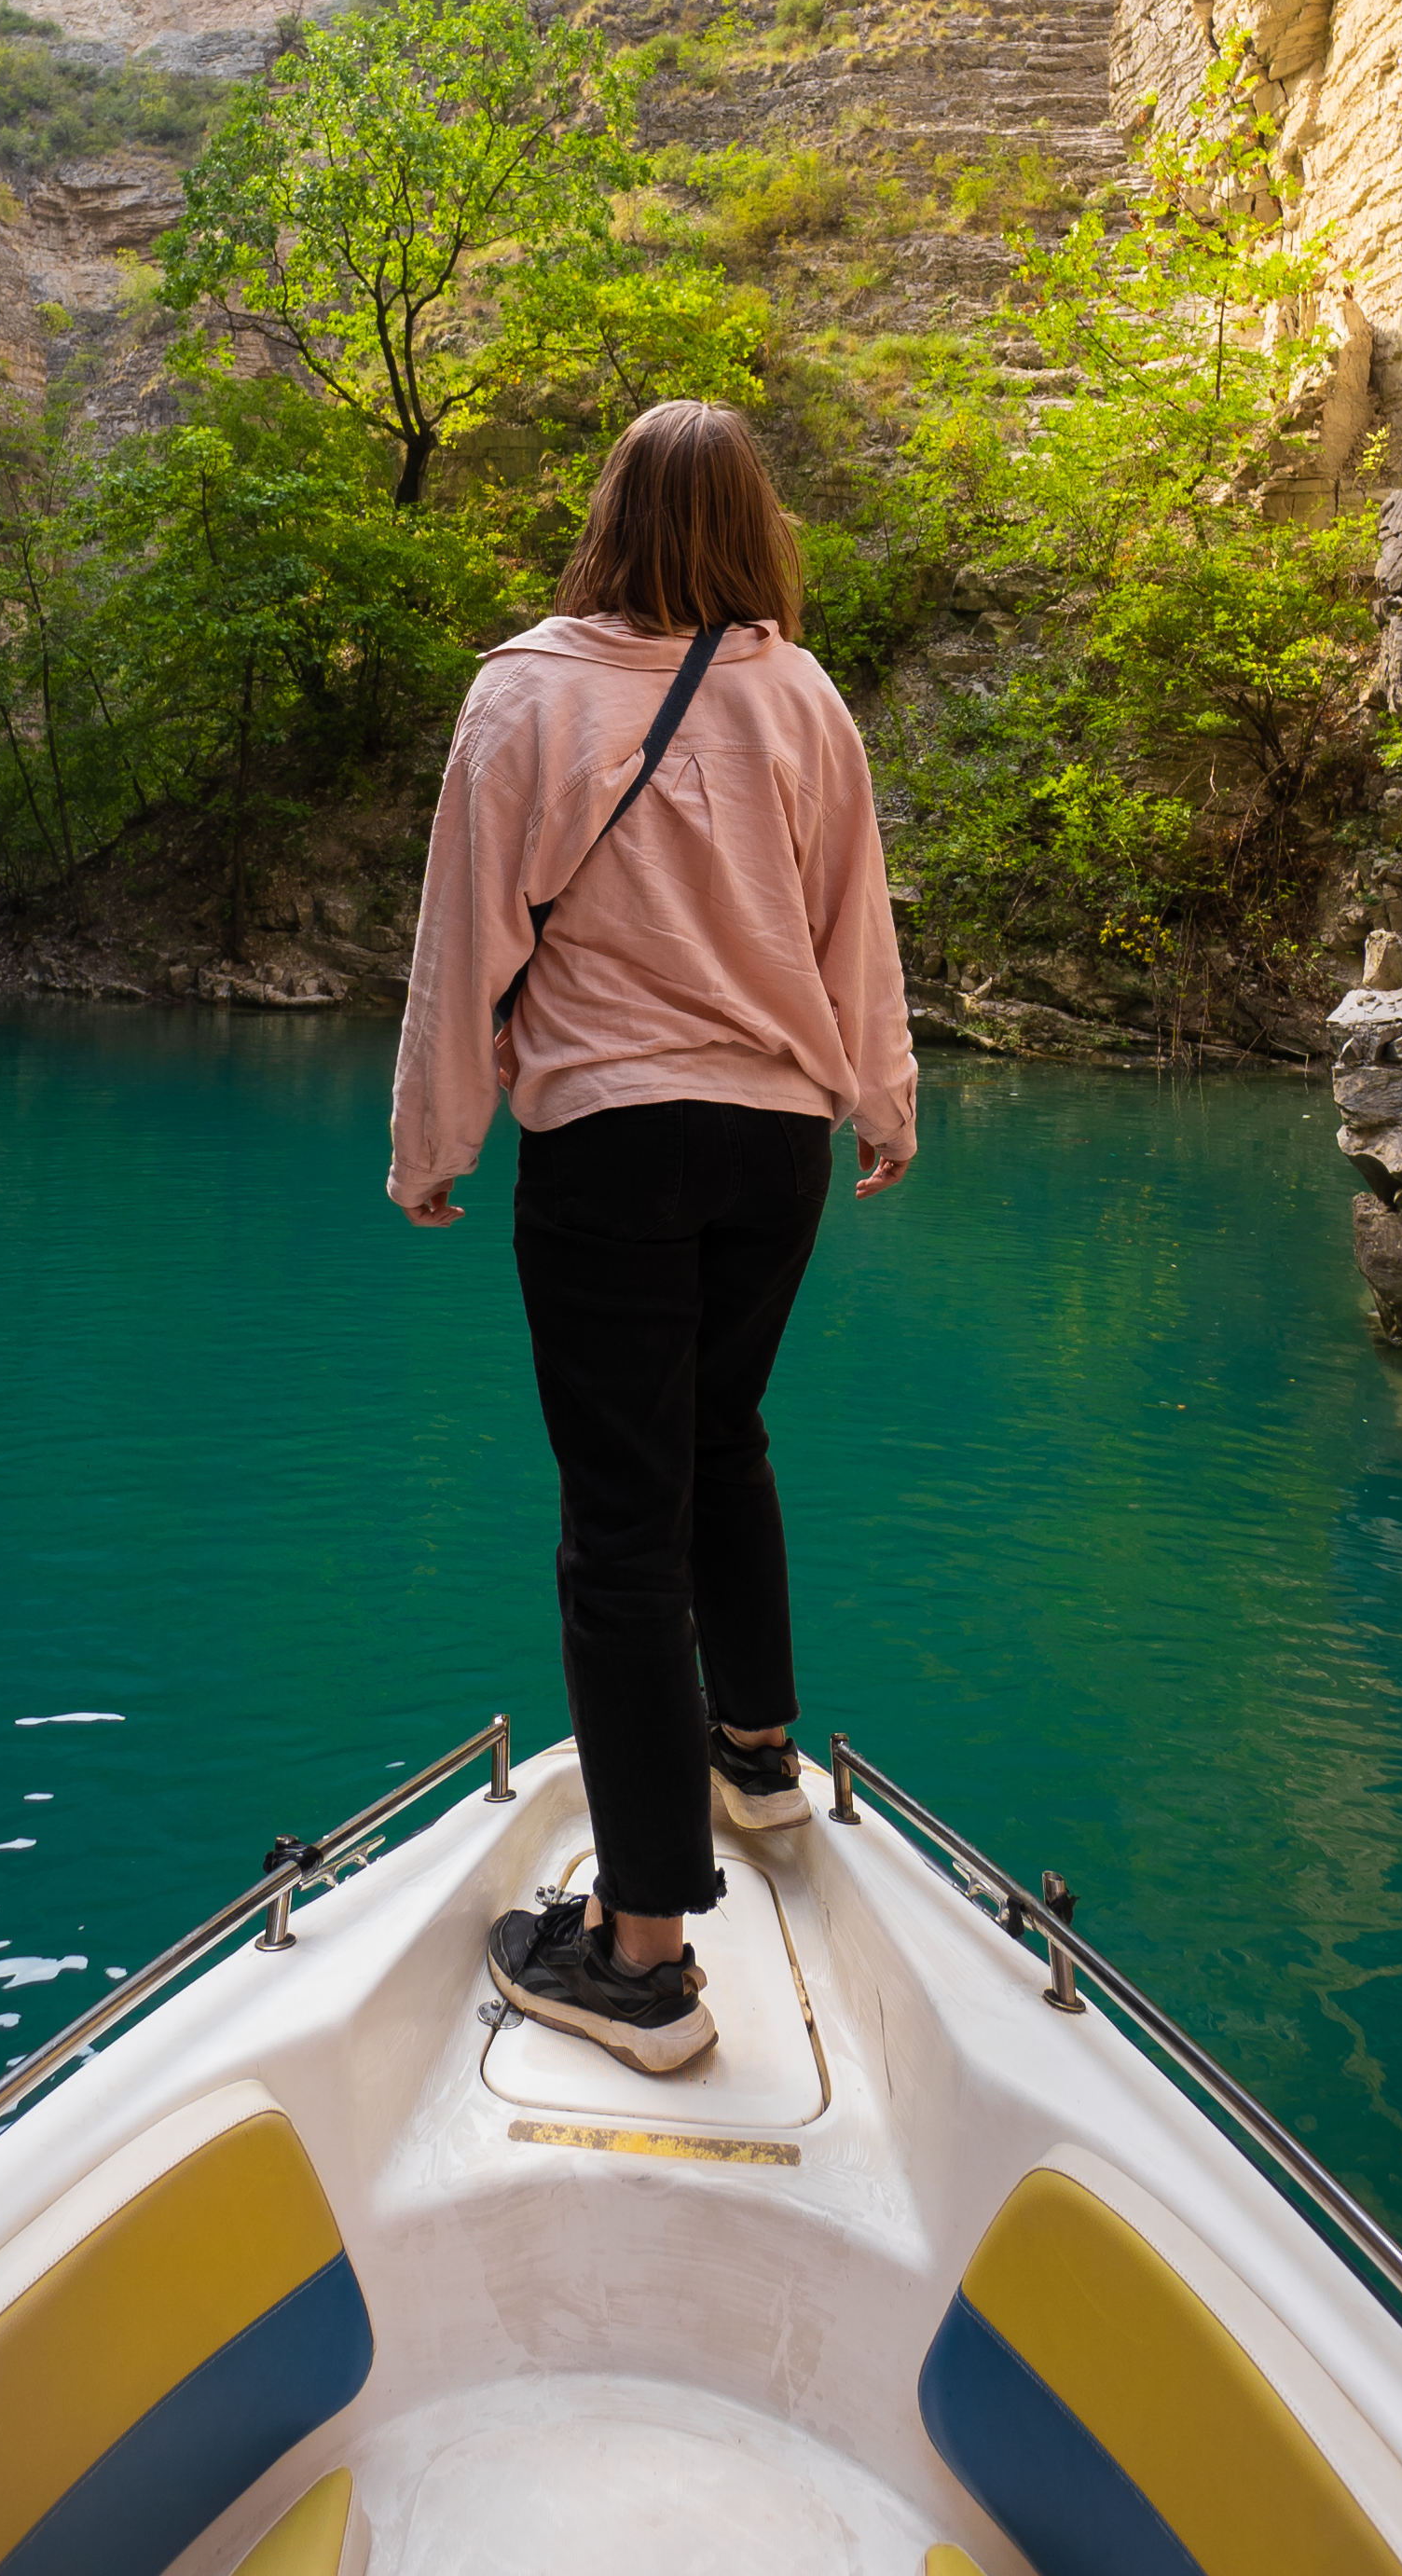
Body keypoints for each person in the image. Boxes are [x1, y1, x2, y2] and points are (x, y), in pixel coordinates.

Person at [388, 400, 917, 2073]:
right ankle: (753, 1754)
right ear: (758, 528)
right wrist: (884, 1099)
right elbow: (851, 924)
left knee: (620, 1525)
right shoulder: (802, 696)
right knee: (722, 1435)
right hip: (775, 1144)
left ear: (608, 516)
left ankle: (640, 1960)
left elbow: (464, 939)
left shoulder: (525, 694)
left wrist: (433, 1139)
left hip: (614, 1140)